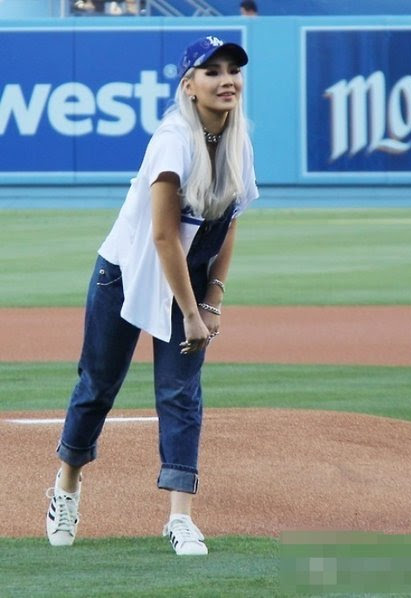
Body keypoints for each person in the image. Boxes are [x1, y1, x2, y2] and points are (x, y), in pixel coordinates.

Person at [45, 35, 258, 556]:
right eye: (212, 71)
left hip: (187, 278)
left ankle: (180, 517)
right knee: (98, 385)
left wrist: (212, 300)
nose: (226, 80)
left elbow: (229, 224)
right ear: (189, 85)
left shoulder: (238, 140)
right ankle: (66, 486)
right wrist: (191, 313)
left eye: (233, 70)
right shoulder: (172, 141)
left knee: (181, 392)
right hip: (127, 274)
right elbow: (164, 237)